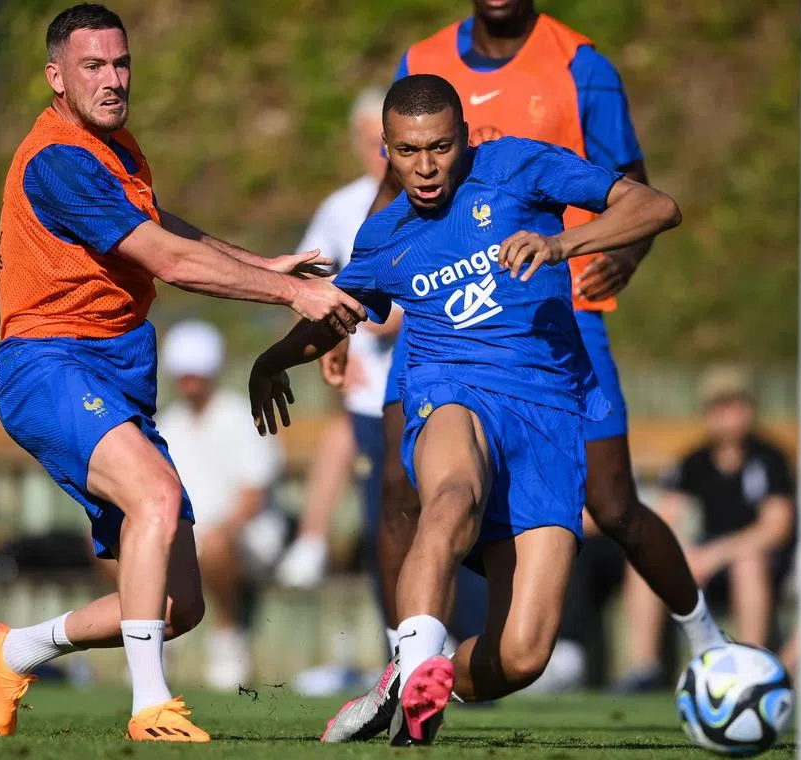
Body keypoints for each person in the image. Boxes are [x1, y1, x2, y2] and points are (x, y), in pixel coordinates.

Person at [250, 74, 713, 746]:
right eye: (408, 151)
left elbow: (657, 207)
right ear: (386, 150)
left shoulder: (519, 167)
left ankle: (412, 675)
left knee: (523, 655)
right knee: (452, 496)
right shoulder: (384, 235)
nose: (426, 166)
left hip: (550, 420)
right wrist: (275, 358)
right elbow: (334, 314)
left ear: (466, 138)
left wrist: (563, 244)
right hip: (451, 393)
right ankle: (414, 670)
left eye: (440, 146)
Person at [0, 3, 364, 742]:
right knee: (154, 495)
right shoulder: (59, 159)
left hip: (113, 371)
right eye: (93, 66)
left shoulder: (115, 150)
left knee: (179, 605)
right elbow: (170, 260)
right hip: (49, 362)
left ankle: (14, 648)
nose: (114, 79)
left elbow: (162, 223)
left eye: (121, 63)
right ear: (56, 77)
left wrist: (258, 262)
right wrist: (293, 290)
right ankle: (149, 706)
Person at [278, 87, 402, 594]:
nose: (383, 155)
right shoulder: (342, 206)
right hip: (369, 382)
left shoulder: (437, 202)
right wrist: (339, 332)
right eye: (373, 143)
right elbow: (308, 279)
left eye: (388, 142)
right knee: (383, 517)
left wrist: (401, 314)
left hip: (428, 375)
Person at [617, 367, 794, 688]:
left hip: (759, 562)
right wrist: (683, 550)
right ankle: (644, 668)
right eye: (719, 407)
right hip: (705, 559)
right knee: (644, 561)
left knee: (748, 564)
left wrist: (714, 554)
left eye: (735, 405)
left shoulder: (770, 459)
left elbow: (775, 528)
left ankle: (753, 669)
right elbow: (667, 517)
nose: (728, 416)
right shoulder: (693, 462)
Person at [156, 320, 283, 690]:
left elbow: (253, 499)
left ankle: (228, 637)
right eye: (184, 374)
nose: (190, 381)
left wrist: (216, 530)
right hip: (188, 533)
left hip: (250, 536)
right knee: (110, 543)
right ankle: (155, 637)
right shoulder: (167, 423)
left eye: (197, 373)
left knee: (213, 542)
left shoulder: (241, 415)